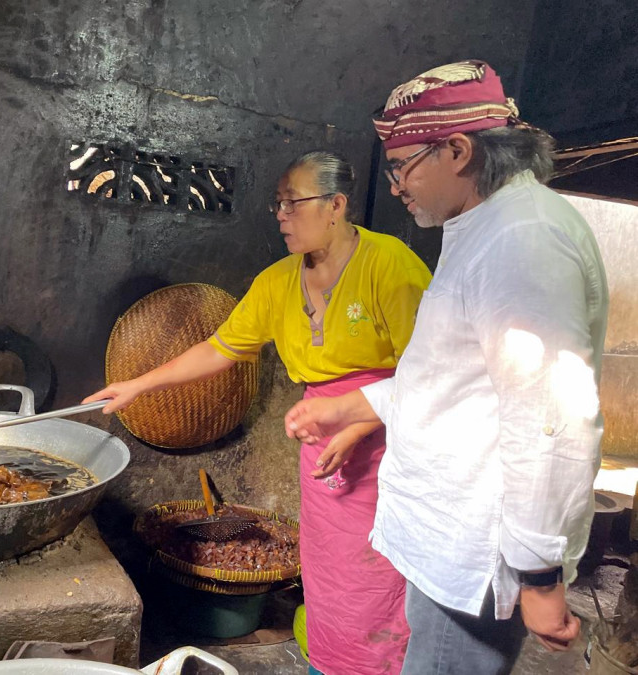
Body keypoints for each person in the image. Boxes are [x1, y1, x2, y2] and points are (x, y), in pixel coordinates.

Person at [285, 60, 609, 675]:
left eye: (403, 166)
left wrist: (538, 577)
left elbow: (551, 416)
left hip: (477, 550)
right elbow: (453, 382)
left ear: (457, 150)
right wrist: (352, 406)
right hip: (445, 538)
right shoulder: (484, 228)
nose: (398, 186)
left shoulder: (524, 240)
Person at [85, 151, 431, 674]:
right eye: (278, 204)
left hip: (390, 440)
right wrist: (138, 385)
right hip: (323, 439)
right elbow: (220, 349)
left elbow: (430, 373)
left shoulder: (392, 265)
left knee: (379, 572)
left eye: (293, 202)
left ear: (336, 205)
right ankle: (328, 664)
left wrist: (360, 422)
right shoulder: (277, 281)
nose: (281, 215)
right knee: (329, 569)